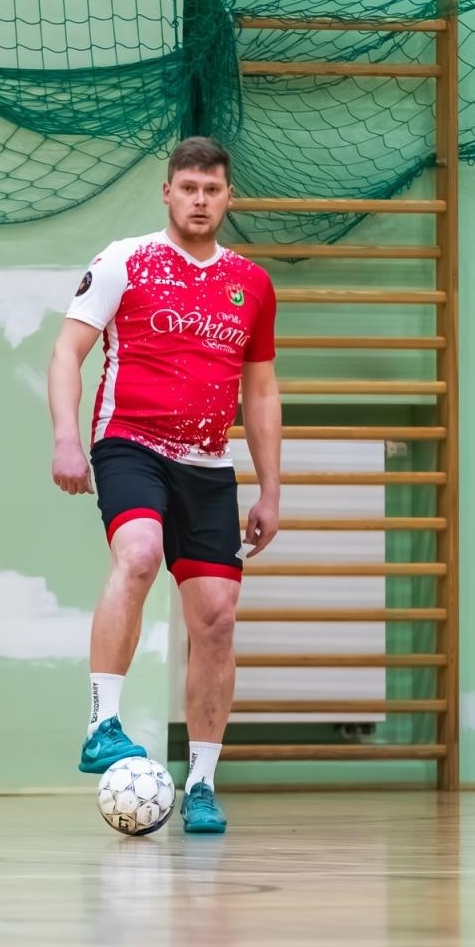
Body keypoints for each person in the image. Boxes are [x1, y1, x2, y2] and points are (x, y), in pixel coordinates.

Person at [46, 136, 281, 835]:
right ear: (168, 192)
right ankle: (103, 722)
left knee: (216, 620)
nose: (200, 200)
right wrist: (65, 436)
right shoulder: (125, 260)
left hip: (208, 466)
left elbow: (261, 392)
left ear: (228, 196)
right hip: (131, 446)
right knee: (140, 552)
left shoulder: (253, 284)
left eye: (212, 189)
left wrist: (271, 488)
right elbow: (67, 351)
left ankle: (202, 784)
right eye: (188, 187)